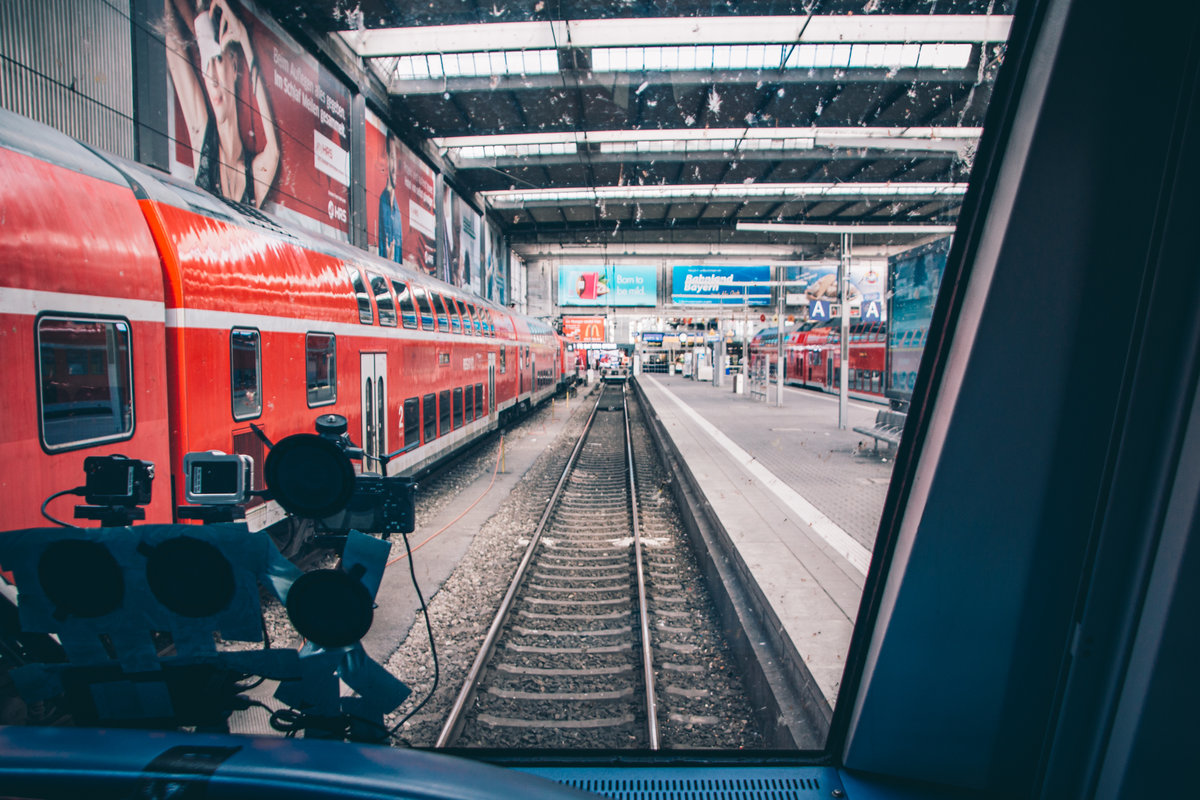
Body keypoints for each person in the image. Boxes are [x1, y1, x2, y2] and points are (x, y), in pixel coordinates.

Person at [164, 0, 279, 208]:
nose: (214, 80)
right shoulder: (202, 136)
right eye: (207, 66)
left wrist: (244, 38)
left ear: (235, 66)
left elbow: (274, 150)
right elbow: (174, 46)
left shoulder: (255, 175)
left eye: (218, 60)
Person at [378, 134, 403, 262]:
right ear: (387, 160)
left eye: (396, 161)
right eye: (391, 158)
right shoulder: (382, 204)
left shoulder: (398, 213)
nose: (394, 168)